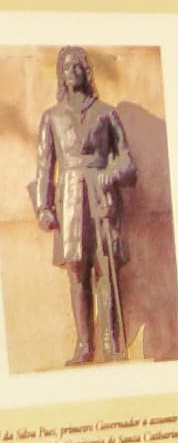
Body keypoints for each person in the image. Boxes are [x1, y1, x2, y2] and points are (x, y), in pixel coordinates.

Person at [27, 46, 134, 364]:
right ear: (61, 75)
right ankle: (85, 346)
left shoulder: (106, 113)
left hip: (102, 198)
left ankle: (112, 342)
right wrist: (43, 207)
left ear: (87, 72)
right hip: (70, 200)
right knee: (77, 273)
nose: (71, 72)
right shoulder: (52, 117)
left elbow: (128, 162)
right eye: (66, 67)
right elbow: (45, 166)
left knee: (106, 269)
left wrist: (111, 173)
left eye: (77, 66)